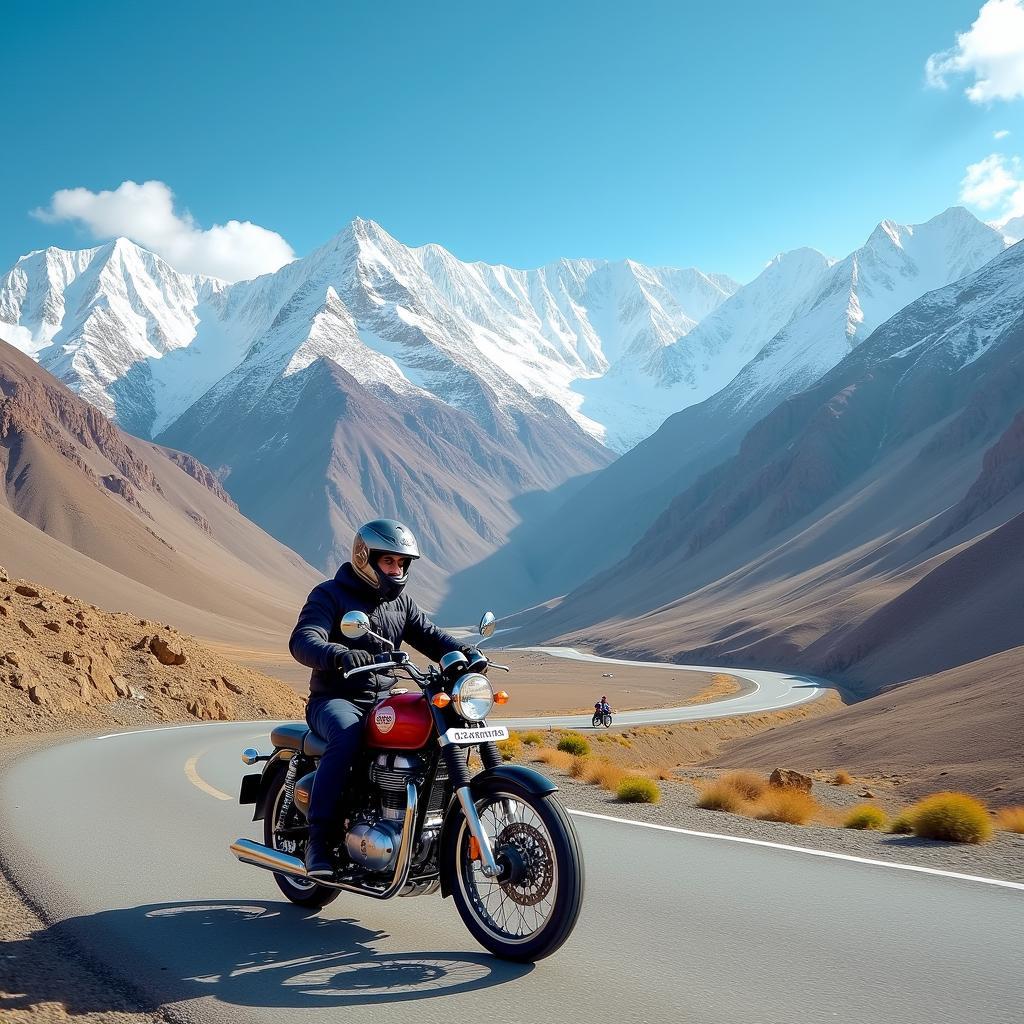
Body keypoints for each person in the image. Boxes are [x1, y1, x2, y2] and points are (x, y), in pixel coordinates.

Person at [289, 518, 467, 878]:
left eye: (402, 563)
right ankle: (319, 840)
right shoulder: (329, 595)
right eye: (389, 562)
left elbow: (431, 637)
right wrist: (336, 654)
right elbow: (303, 639)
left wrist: (464, 653)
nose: (396, 570)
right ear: (364, 557)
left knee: (433, 727)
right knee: (348, 735)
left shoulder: (400, 603)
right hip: (336, 699)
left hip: (382, 699)